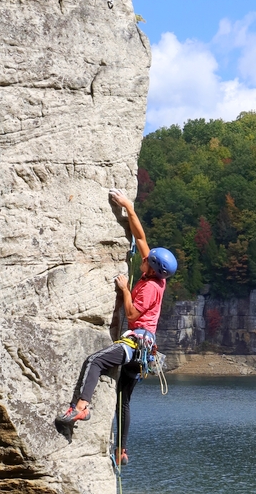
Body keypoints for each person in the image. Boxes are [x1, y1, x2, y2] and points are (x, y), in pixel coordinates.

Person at [56, 188, 177, 465]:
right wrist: (128, 208)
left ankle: (81, 408)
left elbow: (133, 316)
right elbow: (141, 237)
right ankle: (121, 450)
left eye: (146, 260)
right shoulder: (157, 275)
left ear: (151, 267)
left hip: (135, 345)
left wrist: (124, 289)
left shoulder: (149, 289)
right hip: (144, 351)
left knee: (95, 361)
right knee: (123, 398)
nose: (143, 257)